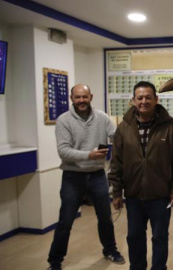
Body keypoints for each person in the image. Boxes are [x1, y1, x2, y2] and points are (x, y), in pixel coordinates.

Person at [48, 84, 125, 270]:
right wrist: (88, 155)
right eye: (77, 97)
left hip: (97, 175)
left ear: (91, 96)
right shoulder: (64, 120)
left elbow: (117, 137)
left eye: (84, 96)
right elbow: (63, 151)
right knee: (66, 221)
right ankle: (55, 261)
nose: (81, 100)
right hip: (72, 177)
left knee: (105, 217)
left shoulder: (102, 117)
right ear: (71, 99)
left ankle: (110, 250)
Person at [109, 81, 173, 270]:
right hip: (134, 196)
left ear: (156, 99)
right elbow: (116, 162)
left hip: (161, 195)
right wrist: (116, 192)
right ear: (133, 101)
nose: (144, 101)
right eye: (140, 97)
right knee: (134, 237)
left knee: (160, 237)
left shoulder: (170, 127)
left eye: (148, 97)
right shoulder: (123, 128)